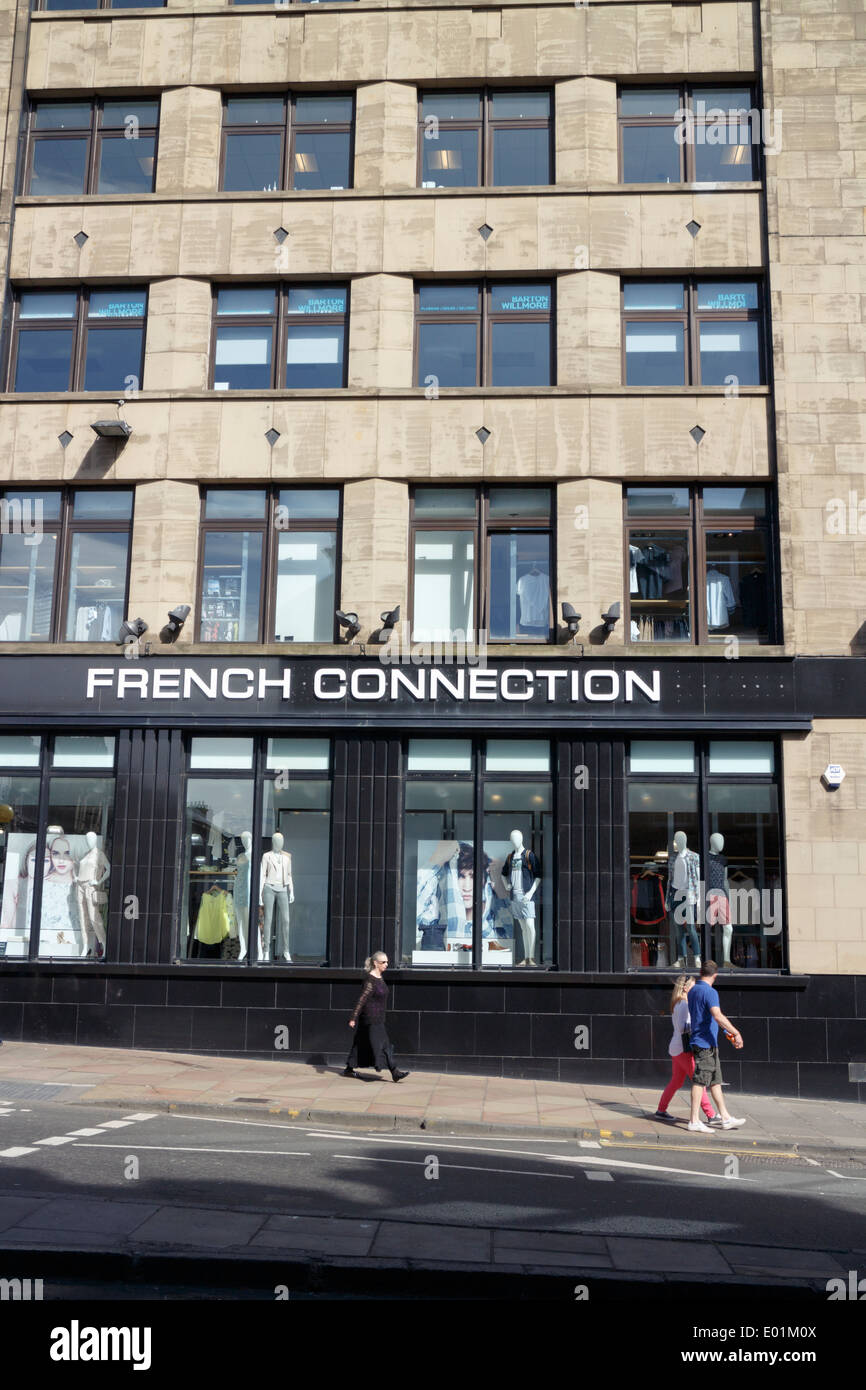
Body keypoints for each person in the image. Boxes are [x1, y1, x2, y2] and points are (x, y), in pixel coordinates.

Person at [687, 960, 746, 1133]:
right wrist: (736, 1032)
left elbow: (708, 1018)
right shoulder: (710, 992)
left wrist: (727, 1033)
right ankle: (694, 1120)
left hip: (707, 1041)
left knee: (715, 1081)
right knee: (700, 1081)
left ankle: (725, 1117)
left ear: (700, 972)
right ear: (715, 975)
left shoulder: (693, 990)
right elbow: (717, 1016)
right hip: (704, 1043)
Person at [654, 974, 717, 1123]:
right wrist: (698, 1025)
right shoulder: (683, 1004)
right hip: (684, 1049)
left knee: (676, 1082)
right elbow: (683, 1028)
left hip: (677, 1048)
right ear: (685, 988)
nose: (695, 990)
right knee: (698, 1082)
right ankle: (711, 1115)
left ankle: (661, 1110)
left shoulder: (678, 1003)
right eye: (693, 987)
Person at [343, 951, 408, 1083]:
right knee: (384, 1045)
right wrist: (353, 1018)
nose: (386, 964)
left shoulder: (379, 977)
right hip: (371, 1018)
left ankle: (349, 1069)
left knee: (359, 1043)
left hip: (378, 1017)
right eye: (383, 962)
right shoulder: (370, 980)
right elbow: (361, 1000)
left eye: (387, 962)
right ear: (375, 963)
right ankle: (394, 1071)